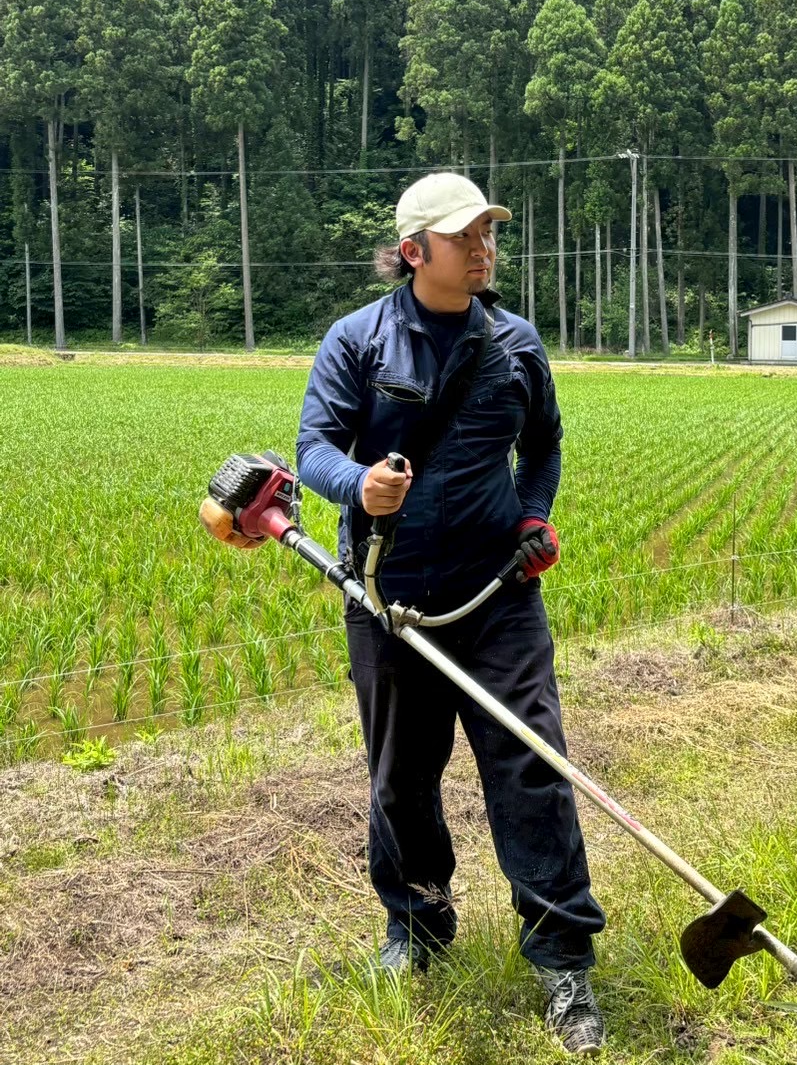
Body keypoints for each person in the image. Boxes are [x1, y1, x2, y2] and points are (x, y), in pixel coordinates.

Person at [295, 172, 607, 1055]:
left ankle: (562, 960)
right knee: (401, 777)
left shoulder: (514, 342)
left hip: (498, 595)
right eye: (466, 235)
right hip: (391, 597)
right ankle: (417, 927)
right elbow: (311, 448)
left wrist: (536, 515)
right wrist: (359, 484)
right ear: (413, 250)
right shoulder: (356, 341)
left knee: (532, 764)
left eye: (489, 233)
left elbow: (542, 441)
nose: (485, 247)